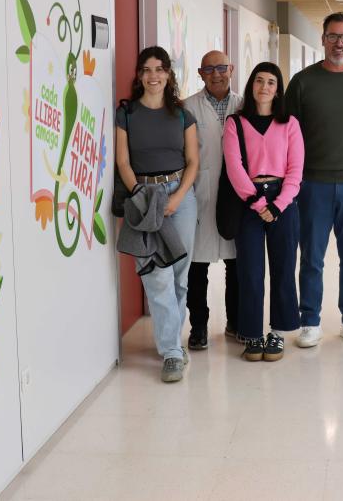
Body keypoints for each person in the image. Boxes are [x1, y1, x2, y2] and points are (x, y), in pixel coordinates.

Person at [285, 12, 343, 348]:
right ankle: (309, 321)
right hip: (313, 185)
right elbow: (287, 134)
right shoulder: (302, 82)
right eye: (333, 36)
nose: (339, 43)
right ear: (323, 39)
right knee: (311, 257)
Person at [116, 46, 199, 382]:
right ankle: (172, 353)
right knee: (156, 274)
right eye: (147, 70)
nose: (153, 76)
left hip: (180, 195)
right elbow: (123, 161)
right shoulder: (127, 114)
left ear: (168, 74)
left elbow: (192, 162)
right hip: (142, 195)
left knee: (179, 276)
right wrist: (140, 195)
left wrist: (177, 197)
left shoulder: (182, 115)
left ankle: (171, 343)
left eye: (159, 69)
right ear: (140, 75)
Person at [223, 63, 304, 362]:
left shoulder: (290, 123)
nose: (265, 87)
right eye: (259, 81)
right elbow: (234, 167)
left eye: (271, 82)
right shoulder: (235, 123)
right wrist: (258, 204)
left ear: (278, 90)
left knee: (283, 268)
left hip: (283, 200)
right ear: (251, 86)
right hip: (249, 201)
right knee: (250, 271)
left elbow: (296, 169)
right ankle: (253, 334)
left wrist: (278, 205)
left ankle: (278, 332)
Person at [183, 51, 242, 350]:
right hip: (199, 193)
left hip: (236, 194)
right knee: (197, 267)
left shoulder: (243, 104)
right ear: (200, 73)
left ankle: (236, 322)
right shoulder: (187, 107)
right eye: (209, 69)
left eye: (221, 67)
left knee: (237, 264)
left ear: (231, 69)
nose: (216, 74)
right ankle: (199, 327)